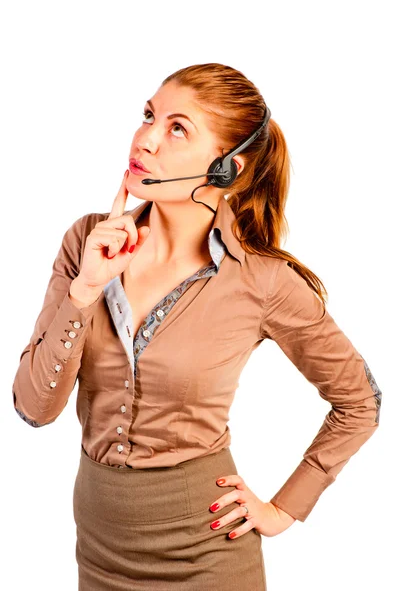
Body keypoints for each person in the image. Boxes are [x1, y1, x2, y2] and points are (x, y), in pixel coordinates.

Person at [12, 62, 382, 591]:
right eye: (148, 115)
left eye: (176, 127)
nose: (145, 138)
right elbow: (33, 407)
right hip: (97, 551)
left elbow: (358, 401)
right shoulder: (86, 242)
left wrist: (284, 508)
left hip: (206, 556)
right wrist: (86, 289)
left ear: (228, 167)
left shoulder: (261, 279)